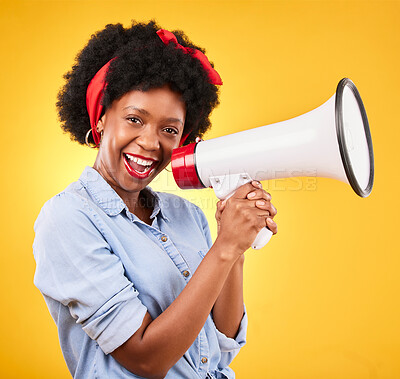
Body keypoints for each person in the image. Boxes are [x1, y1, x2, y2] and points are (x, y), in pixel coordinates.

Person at [33, 20, 278, 379]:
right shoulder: (68, 218)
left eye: (169, 129)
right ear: (101, 119)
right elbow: (146, 359)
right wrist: (224, 248)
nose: (150, 142)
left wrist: (236, 247)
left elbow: (222, 344)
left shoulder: (187, 215)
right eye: (134, 119)